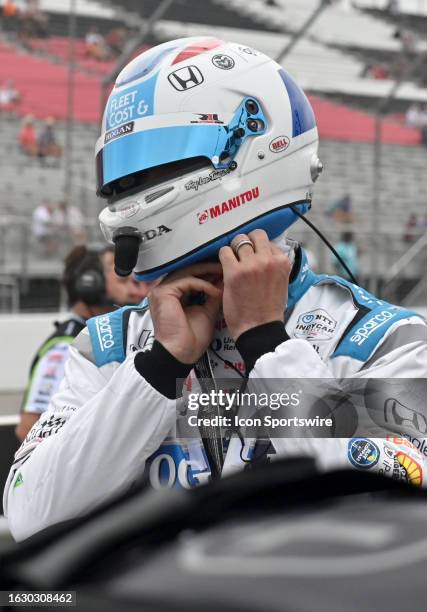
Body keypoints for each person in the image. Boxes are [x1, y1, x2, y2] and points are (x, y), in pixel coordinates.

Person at [4, 38, 427, 541]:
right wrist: (157, 370)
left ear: (254, 145)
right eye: (121, 174)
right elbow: (31, 514)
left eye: (158, 162)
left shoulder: (381, 338)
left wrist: (271, 345)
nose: (132, 187)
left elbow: (380, 516)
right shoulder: (107, 347)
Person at [15, 245, 151, 442]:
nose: (136, 286)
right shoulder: (65, 346)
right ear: (91, 283)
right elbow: (28, 428)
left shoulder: (109, 338)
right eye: (122, 277)